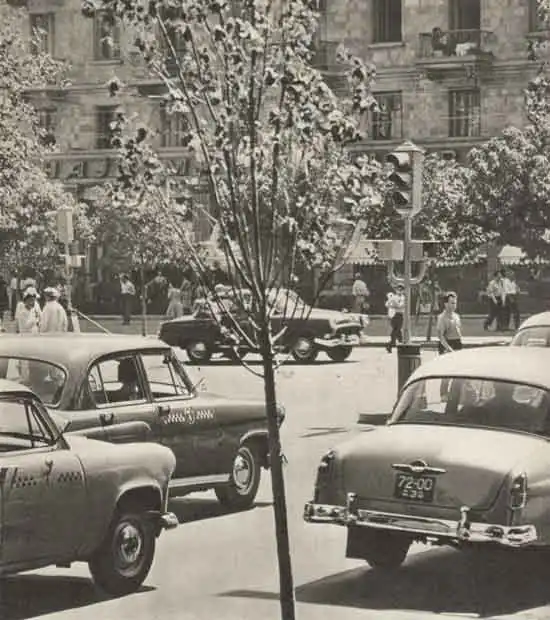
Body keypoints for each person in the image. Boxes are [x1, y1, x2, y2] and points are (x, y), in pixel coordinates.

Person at [385, 284, 405, 353]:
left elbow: (401, 305)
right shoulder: (394, 297)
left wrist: (394, 303)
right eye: (398, 289)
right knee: (397, 331)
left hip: (400, 315)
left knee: (397, 331)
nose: (399, 291)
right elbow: (387, 304)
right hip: (394, 315)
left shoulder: (403, 298)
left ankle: (390, 345)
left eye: (401, 290)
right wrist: (392, 304)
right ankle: (400, 347)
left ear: (403, 291)